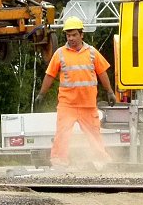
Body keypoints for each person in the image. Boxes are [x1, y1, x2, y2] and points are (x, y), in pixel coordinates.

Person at [34, 15, 117, 169]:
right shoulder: (60, 53)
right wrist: (41, 94)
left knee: (94, 136)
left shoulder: (92, 53)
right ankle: (59, 163)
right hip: (68, 105)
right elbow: (50, 75)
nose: (70, 38)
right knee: (62, 135)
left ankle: (102, 162)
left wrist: (110, 92)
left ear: (81, 35)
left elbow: (103, 72)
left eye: (74, 35)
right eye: (68, 35)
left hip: (88, 105)